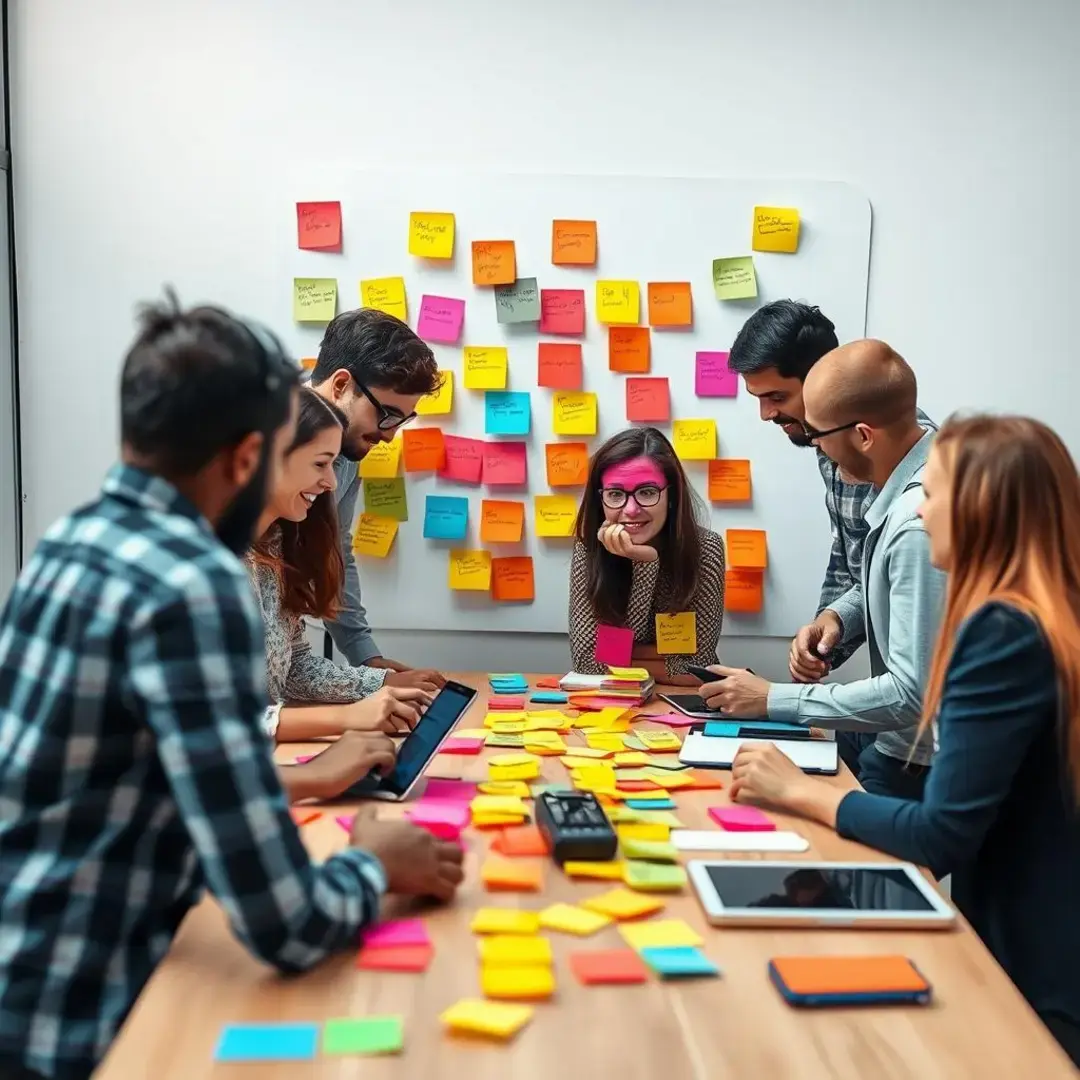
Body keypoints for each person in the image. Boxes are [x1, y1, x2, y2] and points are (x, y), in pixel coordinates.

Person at [0, 298, 463, 1080]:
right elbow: (289, 923)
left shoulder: (70, 540)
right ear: (250, 456)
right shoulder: (193, 583)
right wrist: (376, 865)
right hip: (87, 1015)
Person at [727, 414, 1080, 1067]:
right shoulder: (1044, 612)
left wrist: (800, 792)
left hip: (1035, 975)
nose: (918, 507)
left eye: (933, 490)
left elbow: (939, 832)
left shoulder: (1000, 632)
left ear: (980, 510)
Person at [703, 342, 945, 799]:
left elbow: (912, 696)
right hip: (899, 740)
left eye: (818, 434)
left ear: (864, 436)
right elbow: (888, 582)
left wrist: (771, 698)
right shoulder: (913, 480)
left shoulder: (920, 519)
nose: (815, 444)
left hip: (920, 755)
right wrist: (836, 616)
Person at [727, 300, 935, 679]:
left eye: (776, 397)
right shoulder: (827, 443)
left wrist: (779, 701)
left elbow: (912, 689)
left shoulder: (917, 499)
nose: (766, 414)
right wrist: (830, 623)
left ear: (820, 381)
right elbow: (855, 560)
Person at [248, 387, 432, 748]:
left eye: (333, 464)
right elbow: (206, 726)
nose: (333, 482)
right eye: (321, 463)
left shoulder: (276, 545)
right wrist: (346, 718)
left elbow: (293, 668)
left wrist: (378, 684)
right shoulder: (204, 564)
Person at [309, 308, 444, 687]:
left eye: (402, 420)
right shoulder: (258, 446)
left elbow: (334, 549)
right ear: (340, 386)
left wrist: (367, 661)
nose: (389, 436)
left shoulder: (349, 451)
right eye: (386, 414)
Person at [569, 427, 725, 684]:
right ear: (602, 499)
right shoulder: (589, 549)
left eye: (647, 492)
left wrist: (620, 657)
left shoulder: (705, 548)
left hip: (682, 703)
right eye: (616, 494)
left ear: (671, 495)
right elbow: (588, 663)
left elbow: (697, 665)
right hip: (613, 703)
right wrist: (645, 565)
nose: (631, 510)